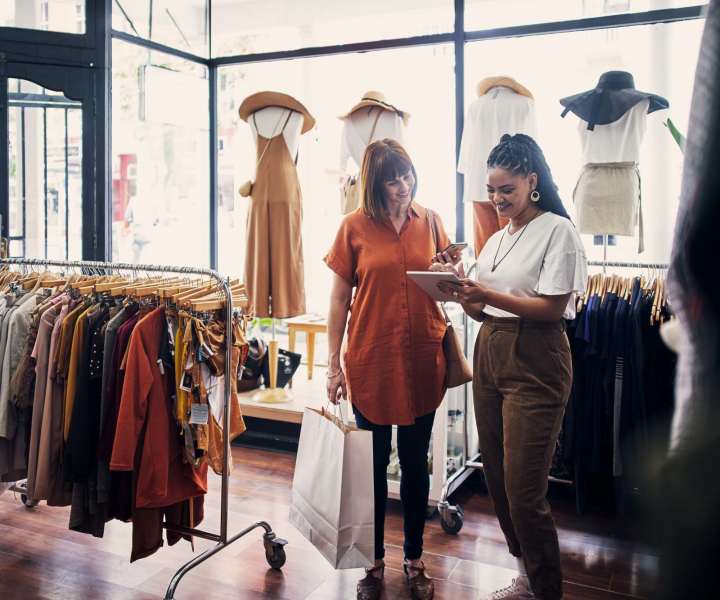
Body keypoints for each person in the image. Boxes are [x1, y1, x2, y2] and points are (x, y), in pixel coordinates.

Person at [437, 133, 587, 600]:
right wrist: (459, 287)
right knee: (498, 479)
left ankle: (547, 591)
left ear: (532, 181)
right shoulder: (498, 238)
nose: (498, 199)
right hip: (490, 351)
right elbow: (483, 311)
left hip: (537, 357)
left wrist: (488, 296)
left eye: (507, 189)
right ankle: (525, 574)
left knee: (524, 489)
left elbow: (551, 307)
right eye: (492, 190)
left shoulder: (558, 231)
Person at [324, 139, 460, 600]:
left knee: (417, 461)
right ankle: (374, 561)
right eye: (391, 179)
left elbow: (447, 291)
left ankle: (415, 558)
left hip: (423, 356)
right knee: (374, 465)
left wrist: (450, 273)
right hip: (372, 359)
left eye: (407, 175)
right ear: (374, 183)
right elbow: (339, 301)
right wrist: (332, 366)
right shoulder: (353, 227)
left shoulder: (433, 221)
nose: (402, 187)